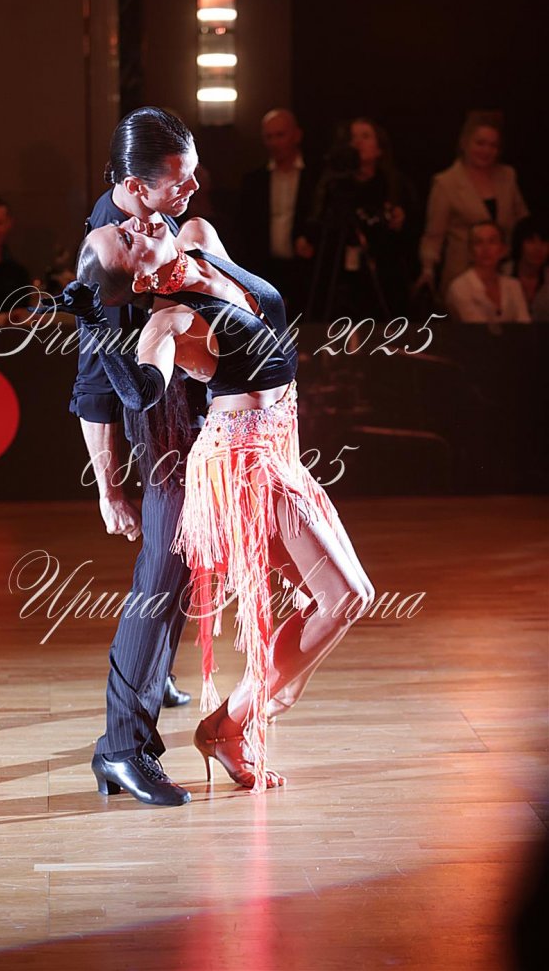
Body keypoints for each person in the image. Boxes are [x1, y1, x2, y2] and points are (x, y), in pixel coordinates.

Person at [55, 213, 374, 796]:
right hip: (241, 464)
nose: (137, 224)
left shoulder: (199, 237)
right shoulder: (168, 321)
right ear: (142, 279)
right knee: (346, 596)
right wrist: (97, 326)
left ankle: (241, 719)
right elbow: (141, 392)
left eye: (127, 224)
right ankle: (231, 724)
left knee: (333, 598)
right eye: (126, 239)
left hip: (280, 447)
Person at [70, 108, 202, 808]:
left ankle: (152, 677)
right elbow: (94, 385)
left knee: (177, 566)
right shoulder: (107, 249)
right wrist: (107, 489)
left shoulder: (156, 214)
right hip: (160, 428)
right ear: (133, 186)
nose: (191, 189)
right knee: (161, 574)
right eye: (179, 180)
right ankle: (122, 748)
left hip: (187, 412)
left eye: (193, 173)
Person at [301, 117, 415, 321]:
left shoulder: (394, 185)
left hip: (383, 277)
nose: (357, 142)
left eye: (365, 136)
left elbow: (410, 234)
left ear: (379, 148)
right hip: (340, 278)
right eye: (353, 137)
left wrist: (399, 220)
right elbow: (319, 224)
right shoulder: (334, 185)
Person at [418, 110, 528, 301]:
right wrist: (428, 270)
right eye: (480, 143)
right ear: (465, 143)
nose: (486, 150)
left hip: (503, 275)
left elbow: (523, 221)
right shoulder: (446, 183)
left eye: (493, 145)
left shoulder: (508, 176)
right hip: (462, 277)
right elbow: (434, 236)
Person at [238, 109, 317, 322]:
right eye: (269, 136)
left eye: (280, 135)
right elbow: (246, 229)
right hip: (265, 269)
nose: (274, 142)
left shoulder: (315, 177)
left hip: (305, 269)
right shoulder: (254, 181)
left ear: (296, 135)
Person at [445, 221, 530, 323]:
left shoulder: (513, 285)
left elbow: (525, 324)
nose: (486, 249)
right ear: (470, 251)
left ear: (503, 249)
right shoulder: (460, 287)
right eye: (478, 242)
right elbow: (478, 327)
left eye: (492, 242)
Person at [508, 216, 549, 322]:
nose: (538, 248)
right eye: (531, 241)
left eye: (544, 242)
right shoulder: (501, 274)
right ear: (519, 244)